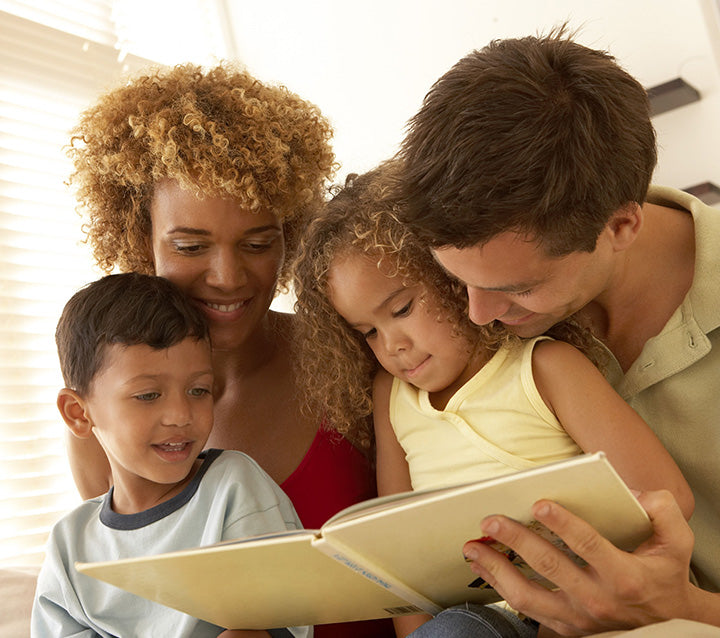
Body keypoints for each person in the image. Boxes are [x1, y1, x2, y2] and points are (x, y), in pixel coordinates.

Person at [397, 27, 720, 635]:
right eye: (456, 280)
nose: (477, 317)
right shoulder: (484, 338)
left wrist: (689, 609)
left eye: (518, 288)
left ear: (621, 226)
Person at [291, 162, 693, 638]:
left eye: (402, 309)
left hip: (588, 601)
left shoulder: (546, 367)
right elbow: (397, 547)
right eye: (368, 332)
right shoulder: (391, 395)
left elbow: (666, 499)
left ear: (453, 275)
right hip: (475, 619)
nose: (392, 345)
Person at [67, 63, 394, 638]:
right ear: (137, 238)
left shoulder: (359, 352)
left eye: (258, 242)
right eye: (191, 245)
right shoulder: (105, 417)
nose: (227, 276)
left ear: (291, 233)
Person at [32, 272, 306, 638]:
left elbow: (263, 628)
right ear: (79, 413)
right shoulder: (69, 546)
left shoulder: (234, 489)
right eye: (148, 395)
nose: (181, 416)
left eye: (198, 390)